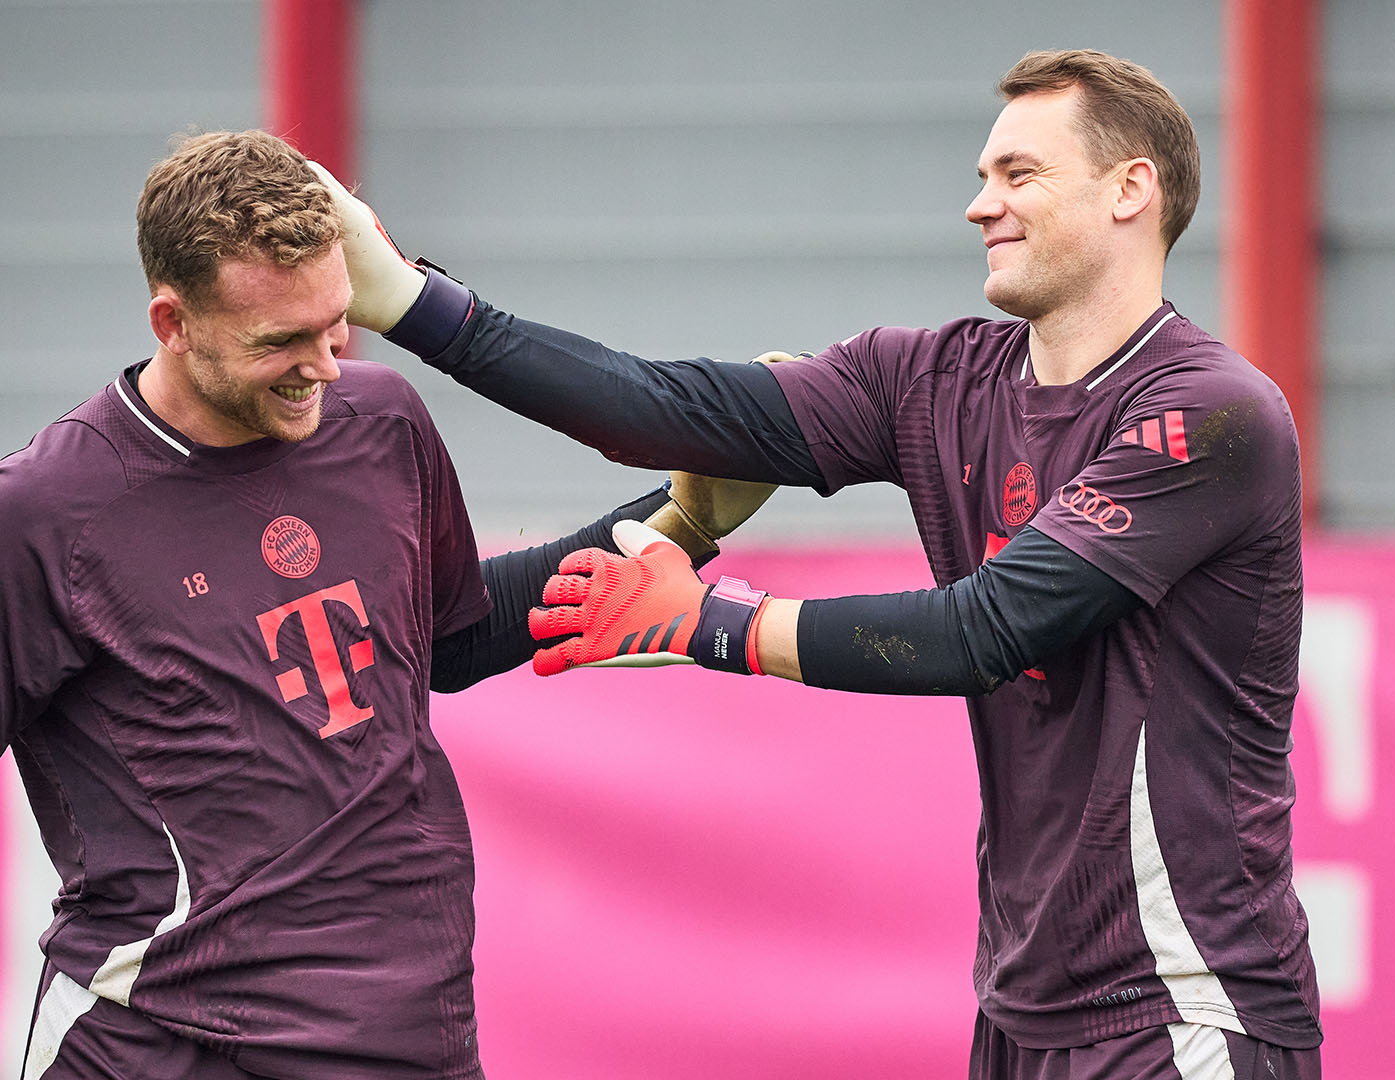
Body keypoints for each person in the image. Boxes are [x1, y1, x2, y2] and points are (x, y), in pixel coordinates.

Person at [324, 48, 1321, 1080]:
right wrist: (406, 301)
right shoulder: (933, 379)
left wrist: (706, 622)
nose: (981, 206)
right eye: (983, 177)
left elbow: (986, 631)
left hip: (1181, 1010)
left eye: (1018, 174)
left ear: (1131, 190)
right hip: (1023, 1013)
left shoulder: (1209, 412)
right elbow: (659, 409)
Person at [0, 131, 764, 1080]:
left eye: (334, 325)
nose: (321, 365)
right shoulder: (42, 511)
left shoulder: (384, 420)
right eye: (278, 341)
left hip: (406, 1027)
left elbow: (452, 639)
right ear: (172, 322)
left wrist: (679, 520)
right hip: (158, 1041)